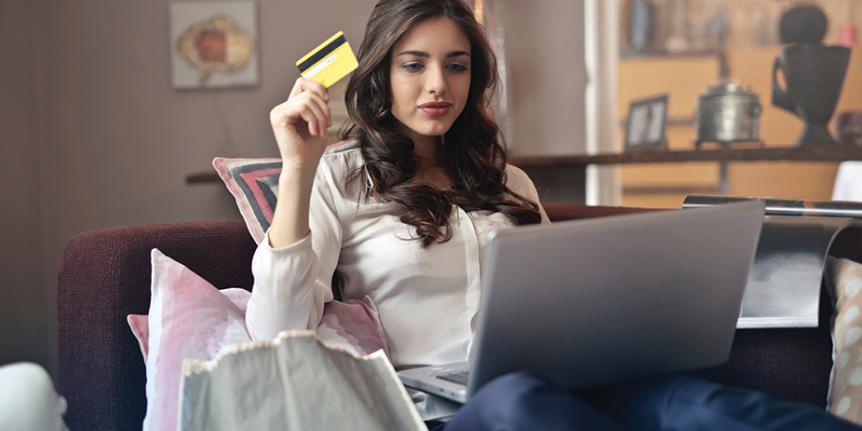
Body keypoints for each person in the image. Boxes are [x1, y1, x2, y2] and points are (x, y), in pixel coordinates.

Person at [248, 0, 861, 429]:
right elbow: (276, 335)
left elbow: (557, 304)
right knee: (517, 403)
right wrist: (298, 169)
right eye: (415, 63)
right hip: (448, 412)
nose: (439, 84)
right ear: (381, 72)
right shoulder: (340, 176)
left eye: (456, 64)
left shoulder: (507, 181)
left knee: (694, 404)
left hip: (565, 383)